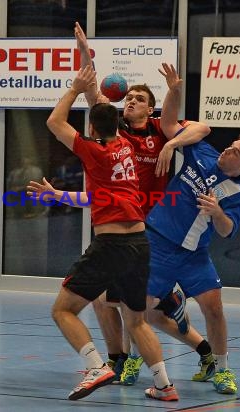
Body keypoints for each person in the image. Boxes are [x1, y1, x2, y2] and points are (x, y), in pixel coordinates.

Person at [74, 21, 212, 385]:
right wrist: (84, 50)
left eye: (139, 100)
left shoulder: (158, 130)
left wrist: (172, 143)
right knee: (105, 300)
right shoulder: (113, 134)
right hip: (121, 226)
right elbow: (91, 94)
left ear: (150, 109)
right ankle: (120, 358)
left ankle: (171, 317)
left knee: (141, 309)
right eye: (129, 98)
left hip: (151, 228)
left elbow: (202, 128)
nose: (131, 102)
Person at [42, 65, 178, 402]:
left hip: (112, 244)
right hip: (139, 244)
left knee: (62, 310)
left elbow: (54, 123)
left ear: (90, 128)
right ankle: (164, 386)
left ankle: (96, 366)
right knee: (137, 321)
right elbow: (97, 195)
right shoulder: (126, 149)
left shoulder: (96, 151)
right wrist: (60, 196)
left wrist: (74, 89)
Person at [146, 133, 240, 395]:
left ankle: (222, 369)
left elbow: (227, 230)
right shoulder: (202, 152)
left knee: (214, 308)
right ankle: (169, 309)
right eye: (230, 146)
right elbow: (174, 124)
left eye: (235, 152)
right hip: (159, 244)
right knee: (142, 311)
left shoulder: (237, 192)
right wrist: (173, 141)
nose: (227, 151)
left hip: (194, 255)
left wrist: (216, 211)